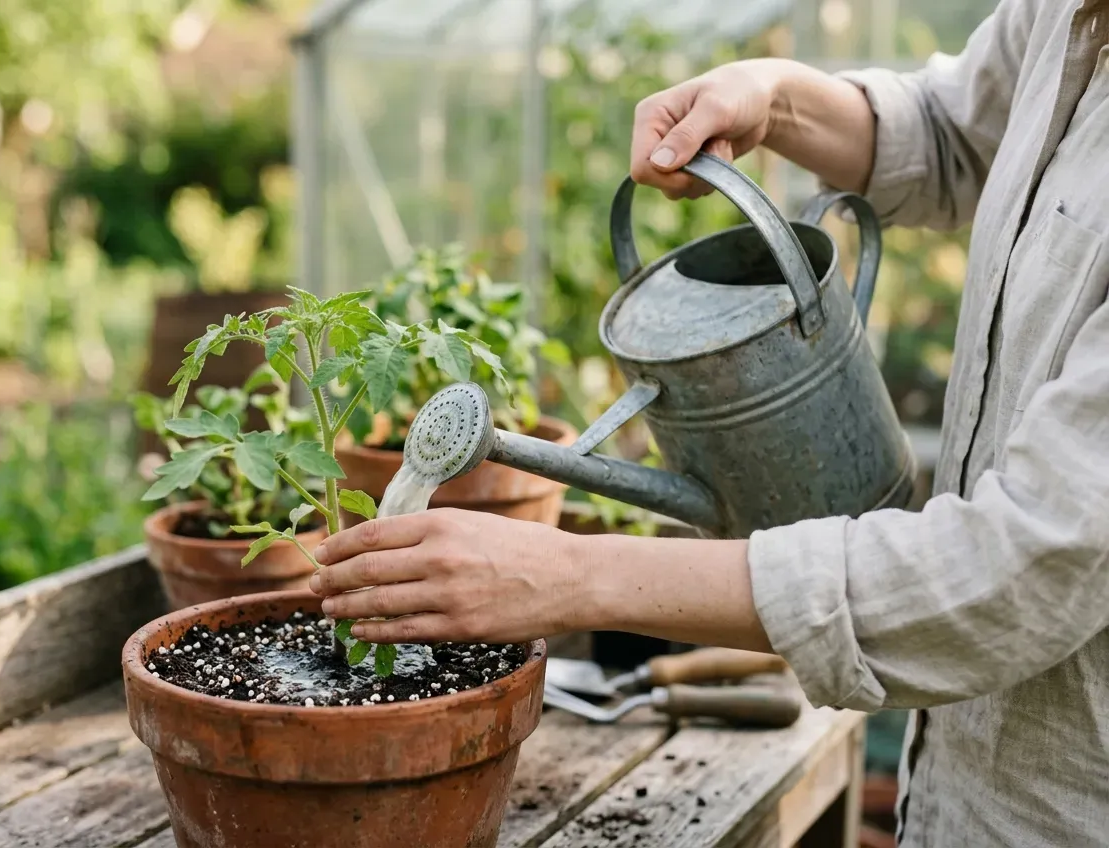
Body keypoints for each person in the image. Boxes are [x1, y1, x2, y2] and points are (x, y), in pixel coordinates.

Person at [310, 0, 1109, 844]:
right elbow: (952, 133)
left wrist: (573, 576)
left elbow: (1017, 569)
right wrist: (773, 95)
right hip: (951, 784)